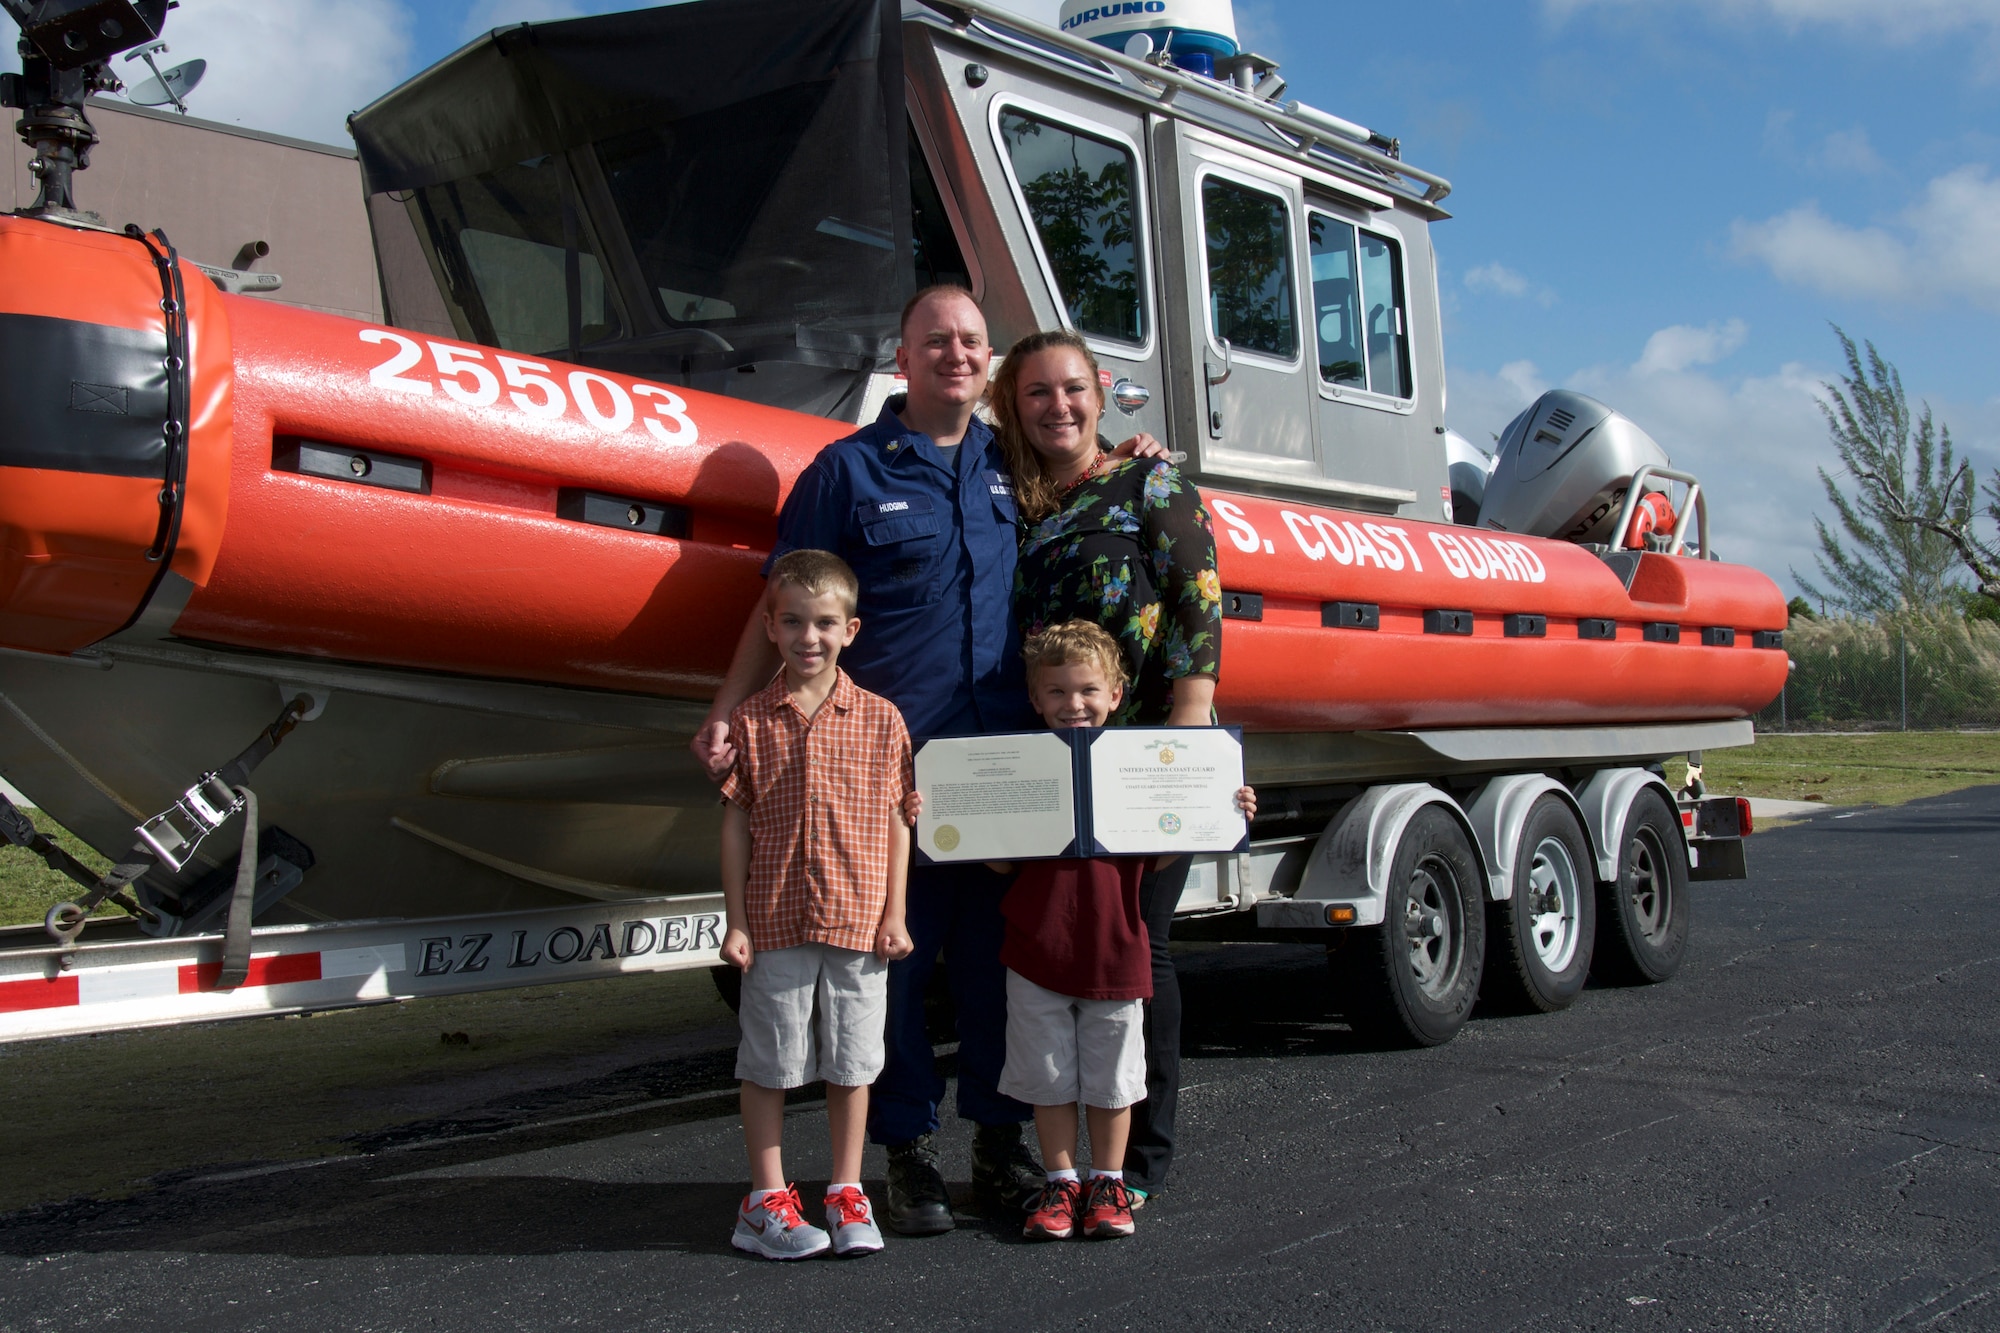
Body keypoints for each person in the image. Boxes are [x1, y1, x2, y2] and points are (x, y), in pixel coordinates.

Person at [693, 286, 1045, 1235]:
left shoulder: (1016, 462)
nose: (957, 355)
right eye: (937, 340)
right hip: (881, 775)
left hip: (1002, 769)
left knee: (993, 968)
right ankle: (905, 1152)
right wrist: (727, 708)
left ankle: (1001, 1145)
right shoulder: (846, 472)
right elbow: (781, 601)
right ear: (903, 355)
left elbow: (1094, 479)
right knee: (887, 968)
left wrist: (1142, 456)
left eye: (972, 341)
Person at [989, 328, 1225, 1209]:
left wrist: (1192, 718)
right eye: (1038, 393)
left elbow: (1197, 589)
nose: (1059, 406)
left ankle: (1140, 1162)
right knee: (1048, 952)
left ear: (1101, 394)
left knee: (1142, 947)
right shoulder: (1025, 503)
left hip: (1143, 754)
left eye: (1073, 389)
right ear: (1016, 406)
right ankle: (1057, 1165)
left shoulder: (1150, 479)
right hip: (1052, 758)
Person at [995, 621, 1254, 1241]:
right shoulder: (1021, 766)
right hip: (1037, 951)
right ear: (1035, 699)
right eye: (1055, 693)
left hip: (1117, 951)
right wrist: (947, 816)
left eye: (1087, 690)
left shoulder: (1136, 767)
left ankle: (1108, 1182)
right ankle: (1061, 1186)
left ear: (1117, 694)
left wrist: (1223, 808)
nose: (1072, 704)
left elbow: (1163, 852)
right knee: (1049, 1077)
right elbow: (1000, 858)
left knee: (1114, 1079)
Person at [718, 550, 915, 1261]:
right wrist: (736, 918)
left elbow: (899, 818)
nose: (810, 636)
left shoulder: (882, 719)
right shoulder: (750, 720)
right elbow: (736, 821)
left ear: (851, 628)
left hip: (860, 920)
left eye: (825, 622)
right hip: (774, 922)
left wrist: (896, 913)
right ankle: (765, 1197)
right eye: (793, 621)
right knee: (769, 1061)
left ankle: (845, 1187)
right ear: (770, 626)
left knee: (853, 1061)